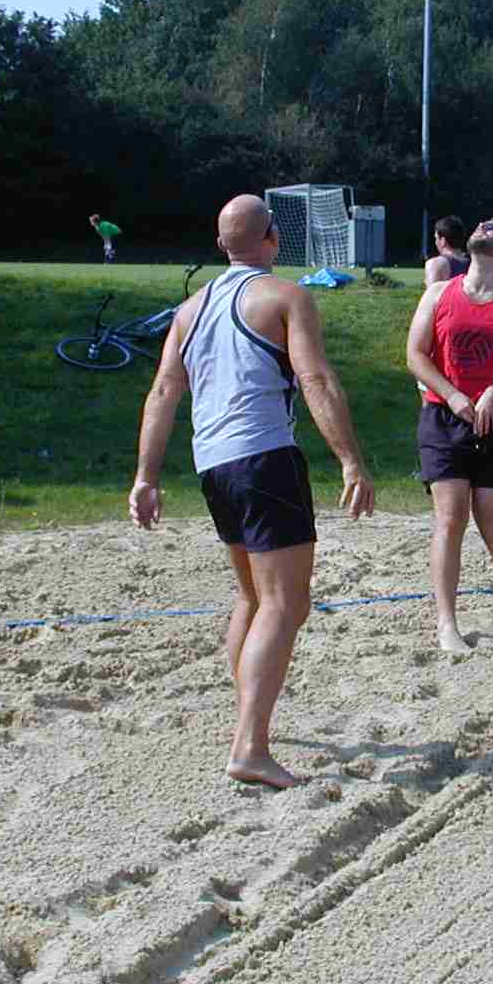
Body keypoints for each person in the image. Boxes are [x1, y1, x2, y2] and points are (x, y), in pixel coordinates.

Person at [129, 193, 375, 789]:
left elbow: (162, 394)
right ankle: (250, 746)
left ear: (221, 245)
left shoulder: (188, 310)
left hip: (212, 465)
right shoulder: (285, 296)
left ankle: (248, 722)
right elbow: (315, 378)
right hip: (264, 458)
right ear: (273, 239)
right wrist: (351, 461)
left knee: (252, 598)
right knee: (285, 604)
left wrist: (146, 476)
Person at [406, 214, 493, 653]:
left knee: (491, 523)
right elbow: (415, 355)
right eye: (481, 225)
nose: (483, 228)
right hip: (443, 418)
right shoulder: (438, 293)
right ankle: (447, 624)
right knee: (450, 517)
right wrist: (451, 395)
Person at [422, 215, 469, 285]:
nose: (436, 242)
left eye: (436, 238)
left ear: (443, 241)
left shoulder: (435, 263)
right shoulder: (475, 263)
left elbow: (432, 291)